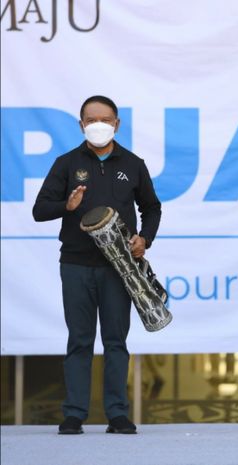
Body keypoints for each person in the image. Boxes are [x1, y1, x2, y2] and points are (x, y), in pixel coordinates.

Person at [33, 95, 162, 435]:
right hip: (75, 264)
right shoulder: (66, 163)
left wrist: (144, 239)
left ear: (117, 124)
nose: (98, 125)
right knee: (79, 339)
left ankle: (117, 414)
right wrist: (67, 204)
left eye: (105, 119)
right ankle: (74, 414)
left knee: (116, 341)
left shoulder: (133, 164)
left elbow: (152, 208)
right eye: (91, 120)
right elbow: (39, 210)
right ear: (81, 125)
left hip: (118, 268)